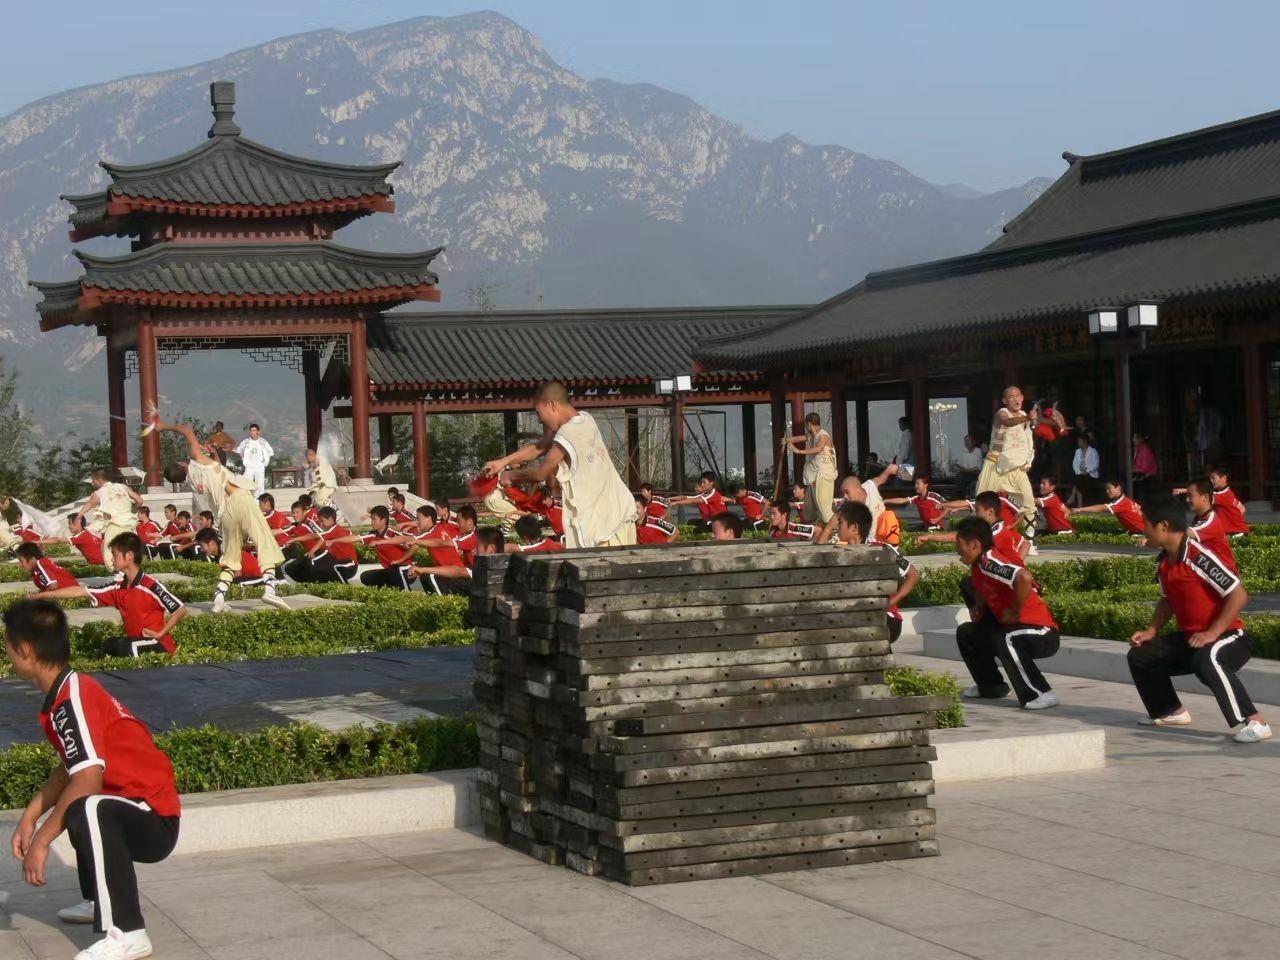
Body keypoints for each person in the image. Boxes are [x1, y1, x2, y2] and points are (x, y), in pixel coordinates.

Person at [4, 599, 181, 958]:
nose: (6, 654)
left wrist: (41, 841)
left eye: (6, 646)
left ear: (25, 651)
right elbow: (72, 766)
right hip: (131, 808)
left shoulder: (72, 698)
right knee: (83, 804)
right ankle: (97, 900)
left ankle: (129, 933)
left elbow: (87, 778)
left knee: (87, 806)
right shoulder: (68, 691)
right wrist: (31, 814)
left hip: (154, 818)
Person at [1128, 496, 1270, 742]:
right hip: (1194, 638)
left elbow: (1238, 594)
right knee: (1141, 655)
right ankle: (1170, 711)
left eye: (1146, 525)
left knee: (1207, 659)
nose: (1143, 531)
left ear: (1163, 526)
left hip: (1231, 637)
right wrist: (1152, 629)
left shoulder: (1198, 556)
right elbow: (1167, 599)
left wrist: (1212, 633)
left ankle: (1256, 721)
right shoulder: (1164, 562)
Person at [484, 382, 636, 549]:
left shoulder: (569, 432)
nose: (540, 419)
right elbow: (540, 447)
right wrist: (502, 462)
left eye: (539, 412)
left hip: (606, 528)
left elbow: (541, 473)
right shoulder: (585, 419)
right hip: (619, 516)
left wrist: (510, 476)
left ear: (552, 405)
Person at [159, 422, 289, 612]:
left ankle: (219, 597)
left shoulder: (193, 481)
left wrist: (213, 454)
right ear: (181, 464)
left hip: (225, 514)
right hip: (240, 499)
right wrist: (162, 425)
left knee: (231, 556)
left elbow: (217, 471)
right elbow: (186, 430)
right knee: (265, 542)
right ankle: (270, 589)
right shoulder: (196, 459)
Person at [951, 516, 1061, 709]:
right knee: (967, 633)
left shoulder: (989, 562)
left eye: (959, 544)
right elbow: (987, 589)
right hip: (1012, 628)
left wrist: (1015, 611)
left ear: (975, 544)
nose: (956, 549)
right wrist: (979, 606)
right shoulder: (978, 566)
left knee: (1007, 638)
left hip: (1042, 633)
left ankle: (1041, 693)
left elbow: (1024, 578)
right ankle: (991, 687)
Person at [41, 533, 187, 658]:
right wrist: (41, 596)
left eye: (115, 555)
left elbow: (180, 610)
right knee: (108, 645)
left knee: (125, 646)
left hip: (158, 644)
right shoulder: (117, 587)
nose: (112, 559)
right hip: (134, 641)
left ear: (129, 556)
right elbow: (82, 591)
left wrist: (160, 634)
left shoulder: (150, 585)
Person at [834, 501, 918, 644]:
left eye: (840, 522)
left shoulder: (883, 549)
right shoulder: (841, 552)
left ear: (854, 527)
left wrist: (891, 602)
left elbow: (913, 575)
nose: (836, 526)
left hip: (887, 617)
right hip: (859, 616)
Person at [977, 385, 1039, 537]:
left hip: (1017, 466)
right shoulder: (1001, 413)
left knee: (1028, 502)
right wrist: (1028, 417)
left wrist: (1056, 422)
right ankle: (980, 538)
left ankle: (1029, 539)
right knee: (982, 503)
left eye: (1018, 396)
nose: (1016, 399)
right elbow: (1008, 422)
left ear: (1022, 398)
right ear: (1004, 400)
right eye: (1011, 397)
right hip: (995, 466)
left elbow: (1037, 421)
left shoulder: (1023, 414)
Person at [919, 491, 1029, 560]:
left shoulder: (1000, 531)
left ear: (990, 512)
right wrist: (929, 537)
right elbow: (959, 535)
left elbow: (1025, 544)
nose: (975, 514)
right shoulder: (987, 529)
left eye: (977, 510)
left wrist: (1013, 568)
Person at [74, 470, 144, 573]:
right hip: (130, 525)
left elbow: (90, 504)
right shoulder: (123, 487)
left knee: (111, 552)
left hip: (115, 526)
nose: (92, 483)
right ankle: (131, 574)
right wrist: (134, 509)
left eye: (93, 480)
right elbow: (140, 500)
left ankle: (119, 574)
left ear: (99, 480)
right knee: (129, 551)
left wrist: (79, 516)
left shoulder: (100, 492)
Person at [815, 465, 899, 544]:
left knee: (888, 516)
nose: (845, 496)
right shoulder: (846, 507)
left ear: (858, 489)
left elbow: (881, 479)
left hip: (883, 535)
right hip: (864, 544)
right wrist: (828, 530)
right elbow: (830, 526)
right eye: (843, 494)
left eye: (847, 492)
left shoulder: (870, 486)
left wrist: (890, 469)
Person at [788, 412, 839, 524]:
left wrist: (798, 451)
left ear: (809, 424)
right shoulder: (811, 436)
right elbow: (798, 438)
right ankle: (818, 529)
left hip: (824, 475)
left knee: (823, 507)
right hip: (814, 477)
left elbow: (819, 448)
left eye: (806, 425)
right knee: (809, 510)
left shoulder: (824, 436)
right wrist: (787, 440)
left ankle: (835, 530)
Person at [1183, 479, 1237, 570]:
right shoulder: (1199, 518)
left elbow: (1183, 535)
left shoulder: (1210, 520)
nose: (1187, 500)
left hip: (1224, 575)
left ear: (1205, 497)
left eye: (1190, 495)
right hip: (1211, 571)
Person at [193, 529, 268, 586]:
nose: (201, 549)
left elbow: (238, 573)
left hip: (259, 577)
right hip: (248, 577)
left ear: (211, 543)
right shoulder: (218, 555)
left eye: (202, 546)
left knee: (234, 582)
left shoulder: (227, 550)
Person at [1072, 480, 1146, 536]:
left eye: (1109, 488)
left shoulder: (1121, 502)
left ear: (1118, 488)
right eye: (1106, 489)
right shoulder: (1126, 500)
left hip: (1141, 533)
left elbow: (1100, 508)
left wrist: (1080, 509)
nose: (1107, 491)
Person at [1207, 466, 1249, 537]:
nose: (1211, 481)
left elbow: (1204, 498)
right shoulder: (1228, 493)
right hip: (1234, 532)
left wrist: (1188, 491)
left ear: (1224, 478)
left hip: (1236, 533)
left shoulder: (1225, 494)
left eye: (1213, 478)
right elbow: (1242, 509)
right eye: (1210, 478)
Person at [235, 423, 274, 497]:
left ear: (258, 432)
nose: (252, 432)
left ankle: (259, 501)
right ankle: (247, 499)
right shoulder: (245, 442)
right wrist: (243, 459)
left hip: (259, 467)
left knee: (259, 486)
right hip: (249, 467)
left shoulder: (263, 442)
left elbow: (270, 452)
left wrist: (265, 461)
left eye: (254, 430)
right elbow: (239, 450)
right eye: (251, 431)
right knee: (246, 485)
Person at [1067, 433, 1100, 507]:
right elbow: (1074, 464)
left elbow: (1096, 465)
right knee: (1079, 479)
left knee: (1078, 480)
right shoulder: (1077, 451)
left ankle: (1073, 497)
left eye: (1079, 441)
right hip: (1080, 474)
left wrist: (1086, 471)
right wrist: (1079, 472)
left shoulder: (1093, 451)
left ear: (1084, 441)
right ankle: (1080, 504)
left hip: (1090, 474)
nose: (1078, 442)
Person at [956, 434, 985, 499]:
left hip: (976, 474)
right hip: (966, 474)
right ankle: (962, 496)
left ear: (973, 442)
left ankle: (962, 496)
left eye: (968, 440)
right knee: (960, 476)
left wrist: (966, 469)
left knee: (962, 477)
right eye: (965, 441)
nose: (967, 442)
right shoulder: (964, 453)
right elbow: (962, 466)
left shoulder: (978, 451)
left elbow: (977, 468)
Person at [1132, 431, 1158, 502]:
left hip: (1148, 475)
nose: (1133, 440)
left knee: (1134, 484)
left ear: (1140, 439)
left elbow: (1144, 469)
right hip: (1141, 474)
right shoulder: (1138, 449)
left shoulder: (1145, 450)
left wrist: (1133, 470)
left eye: (1135, 438)